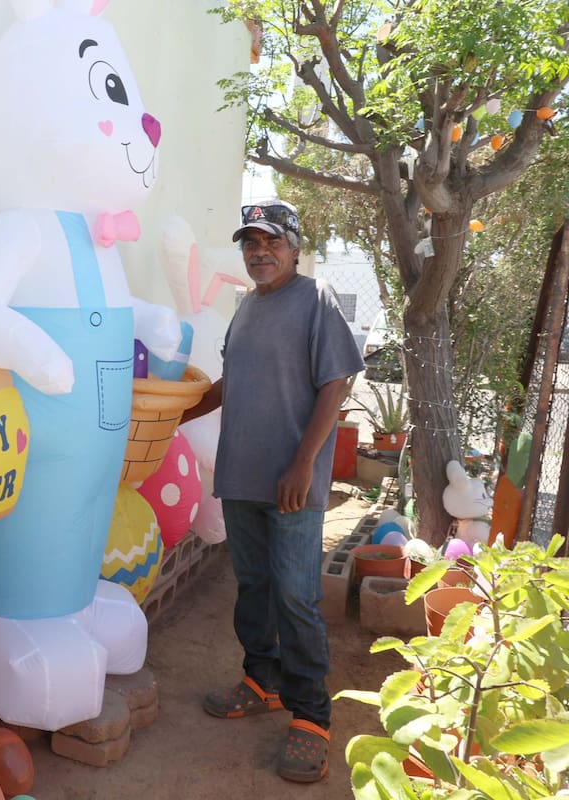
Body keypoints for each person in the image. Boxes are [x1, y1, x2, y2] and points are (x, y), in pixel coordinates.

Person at [182, 199, 363, 783]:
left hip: (290, 482)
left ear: (293, 246)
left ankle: (311, 715)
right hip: (242, 477)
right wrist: (172, 414)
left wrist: (304, 462)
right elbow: (235, 381)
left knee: (296, 597)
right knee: (255, 587)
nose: (259, 253)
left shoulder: (315, 300)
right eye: (249, 244)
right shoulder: (246, 310)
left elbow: (337, 381)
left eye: (270, 242)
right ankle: (263, 681)